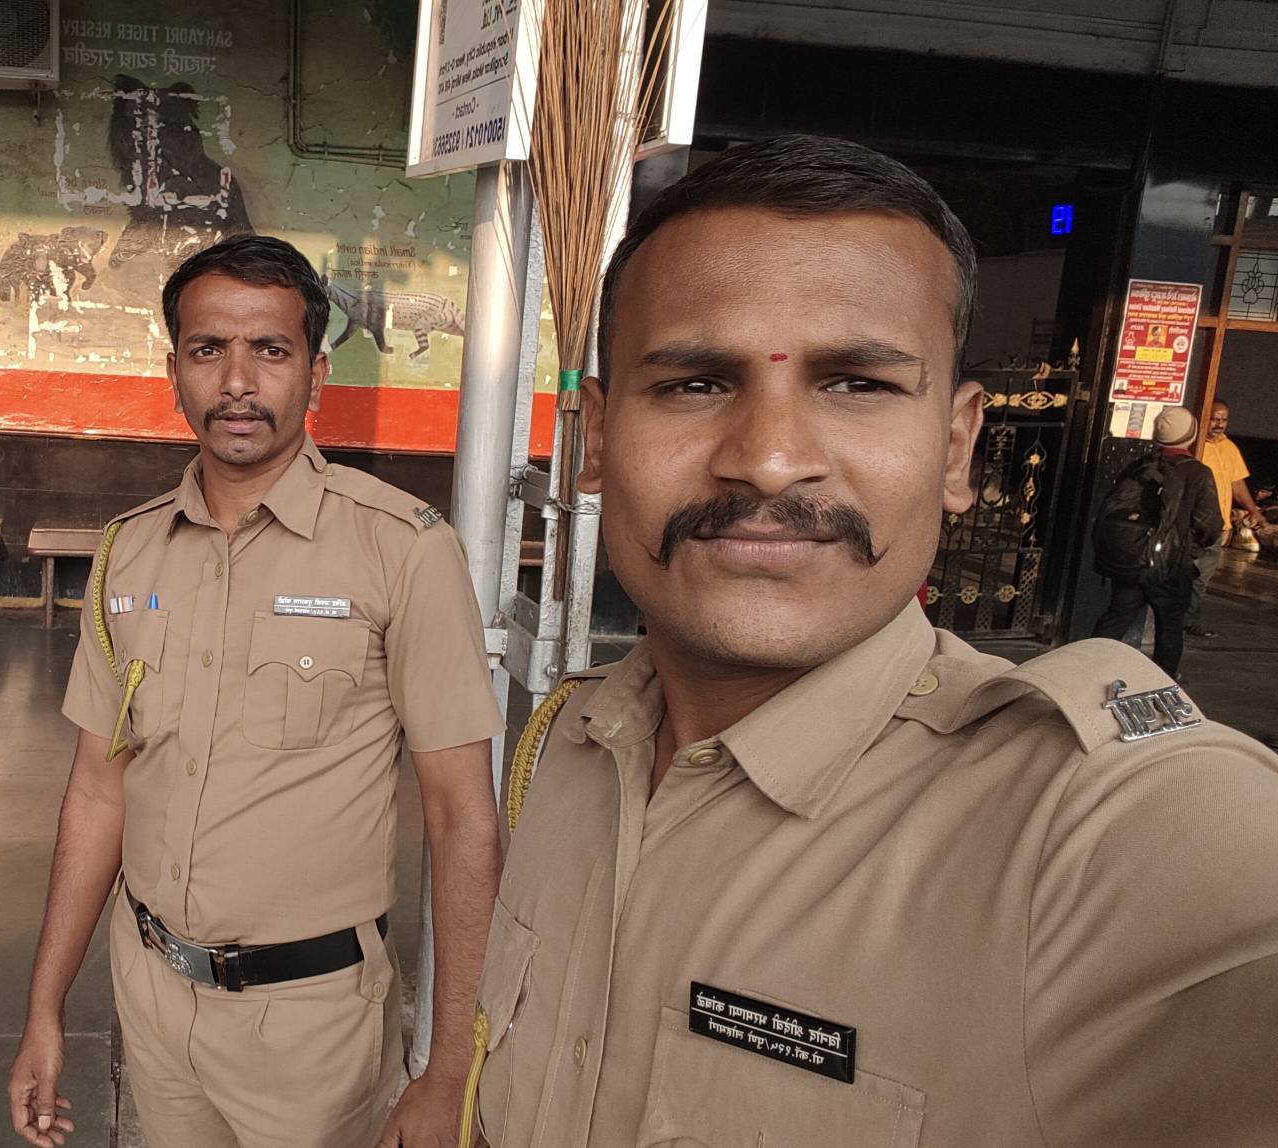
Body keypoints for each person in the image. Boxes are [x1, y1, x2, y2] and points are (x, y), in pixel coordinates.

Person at [466, 135, 1278, 1148]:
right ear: (594, 438)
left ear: (957, 447)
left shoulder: (1086, 830)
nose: (768, 461)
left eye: (856, 384)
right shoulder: (568, 744)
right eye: (694, 384)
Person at [6, 235, 504, 1148]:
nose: (237, 381)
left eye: (270, 350)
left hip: (313, 1029)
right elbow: (97, 791)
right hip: (152, 998)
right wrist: (45, 1006)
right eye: (209, 349)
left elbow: (462, 817)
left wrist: (449, 1071)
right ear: (174, 372)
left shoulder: (401, 549)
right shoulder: (129, 551)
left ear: (315, 373)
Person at [1090, 406, 1222, 678]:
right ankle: (1162, 680)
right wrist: (1192, 549)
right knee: (1169, 627)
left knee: (1116, 617)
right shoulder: (1198, 473)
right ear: (1191, 434)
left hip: (1132, 557)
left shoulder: (1140, 466)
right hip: (1171, 565)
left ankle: (1086, 669)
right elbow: (1209, 524)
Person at [1186, 399, 1266, 637]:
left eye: (1224, 420)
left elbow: (1237, 484)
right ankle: (1177, 620)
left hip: (1218, 525)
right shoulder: (1194, 446)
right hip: (1194, 523)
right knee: (1186, 574)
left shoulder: (1229, 448)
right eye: (1215, 419)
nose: (1219, 424)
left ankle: (1187, 619)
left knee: (1202, 577)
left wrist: (1253, 509)